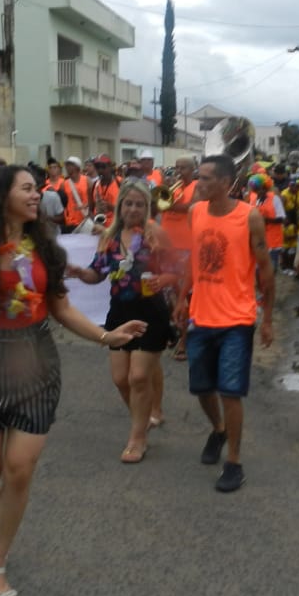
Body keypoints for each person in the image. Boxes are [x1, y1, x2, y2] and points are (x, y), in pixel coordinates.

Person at [0, 166, 146, 596]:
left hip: (36, 363)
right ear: (1, 196)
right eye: (27, 189)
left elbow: (62, 310)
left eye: (36, 188)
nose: (37, 195)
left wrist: (106, 336)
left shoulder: (46, 247)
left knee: (18, 471)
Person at [175, 154, 275, 493]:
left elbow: (265, 269)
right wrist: (182, 298)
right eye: (198, 177)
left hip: (237, 319)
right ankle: (218, 430)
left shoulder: (250, 217)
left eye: (205, 178)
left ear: (225, 183)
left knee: (231, 392)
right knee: (202, 388)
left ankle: (234, 462)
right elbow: (194, 258)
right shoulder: (195, 212)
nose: (198, 183)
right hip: (200, 316)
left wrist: (267, 318)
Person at [67, 179, 175, 462]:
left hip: (151, 311)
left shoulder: (156, 234)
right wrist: (80, 273)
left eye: (139, 204)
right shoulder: (109, 237)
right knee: (120, 379)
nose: (133, 209)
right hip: (119, 312)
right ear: (120, 206)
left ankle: (137, 439)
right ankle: (142, 418)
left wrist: (164, 280)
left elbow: (176, 269)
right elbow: (97, 273)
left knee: (138, 377)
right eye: (128, 203)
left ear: (147, 207)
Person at [159, 156, 198, 364]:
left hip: (185, 249)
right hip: (166, 247)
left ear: (193, 169)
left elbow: (191, 207)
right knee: (166, 294)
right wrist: (164, 193)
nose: (179, 171)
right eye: (177, 167)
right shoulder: (171, 188)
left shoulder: (197, 186)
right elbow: (157, 207)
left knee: (184, 296)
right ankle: (173, 330)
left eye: (183, 168)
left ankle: (184, 340)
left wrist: (169, 204)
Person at [248, 173, 286, 270]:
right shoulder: (253, 199)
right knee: (257, 269)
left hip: (272, 241)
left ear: (266, 188)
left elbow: (282, 219)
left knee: (270, 268)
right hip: (258, 241)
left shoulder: (275, 199)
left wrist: (265, 219)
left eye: (261, 189)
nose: (259, 191)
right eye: (256, 189)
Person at [61, 156, 90, 233]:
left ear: (77, 167)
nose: (67, 167)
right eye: (67, 165)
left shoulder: (87, 180)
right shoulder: (64, 184)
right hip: (70, 222)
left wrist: (85, 205)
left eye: (70, 165)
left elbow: (94, 199)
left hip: (85, 220)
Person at [89, 155, 119, 227]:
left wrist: (110, 207)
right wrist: (94, 219)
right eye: (97, 167)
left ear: (110, 167)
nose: (100, 170)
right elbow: (90, 210)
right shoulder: (95, 185)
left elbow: (125, 211)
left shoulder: (120, 183)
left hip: (115, 227)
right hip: (99, 227)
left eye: (103, 167)